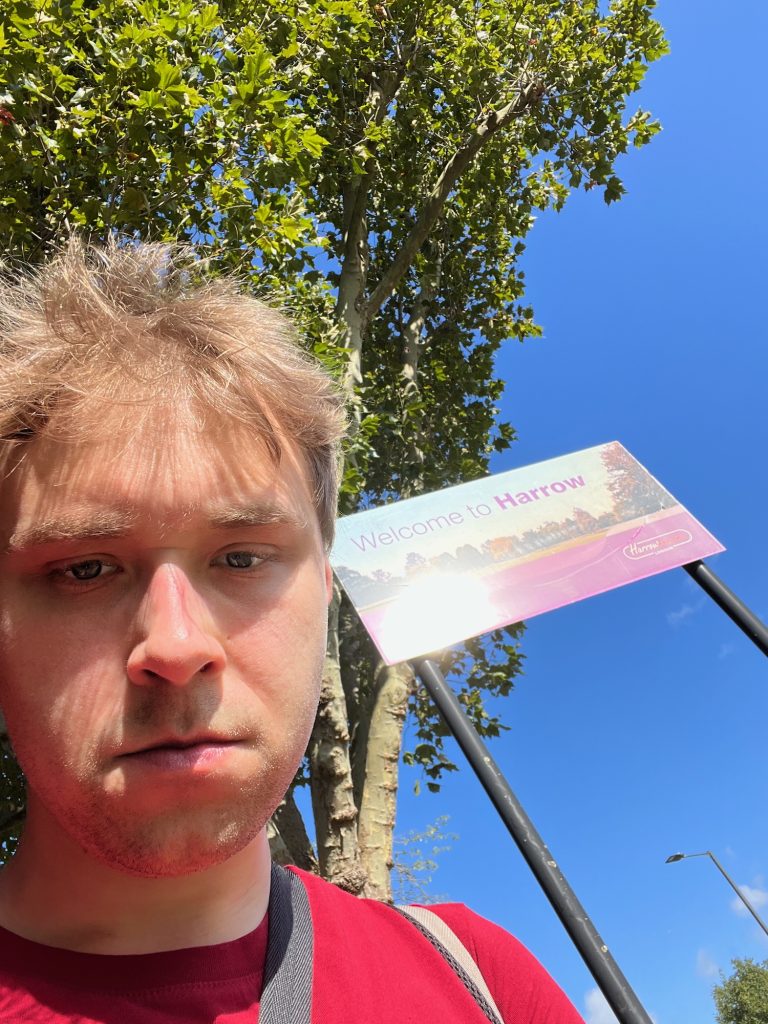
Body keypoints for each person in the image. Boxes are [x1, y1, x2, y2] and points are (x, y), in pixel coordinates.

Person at [0, 239, 584, 1023]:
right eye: (84, 570)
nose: (175, 646)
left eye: (241, 557)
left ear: (326, 593)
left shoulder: (482, 980)